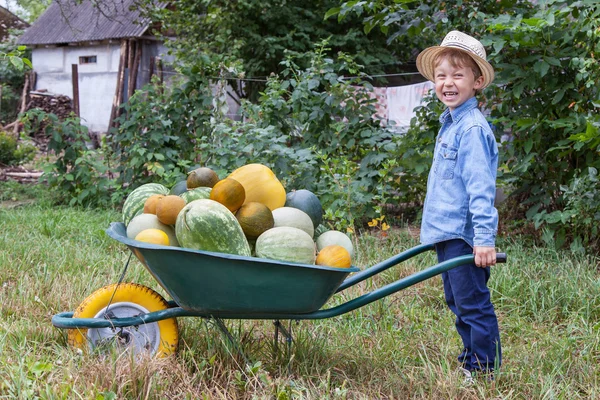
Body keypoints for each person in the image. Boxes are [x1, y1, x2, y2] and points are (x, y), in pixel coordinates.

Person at [415, 30, 501, 383]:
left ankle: (482, 370)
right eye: (441, 76)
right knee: (456, 301)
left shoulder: (472, 130)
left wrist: (484, 238)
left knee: (472, 303)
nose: (448, 83)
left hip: (464, 236)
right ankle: (470, 359)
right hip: (446, 232)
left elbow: (481, 189)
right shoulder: (450, 124)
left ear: (477, 81)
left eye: (458, 75)